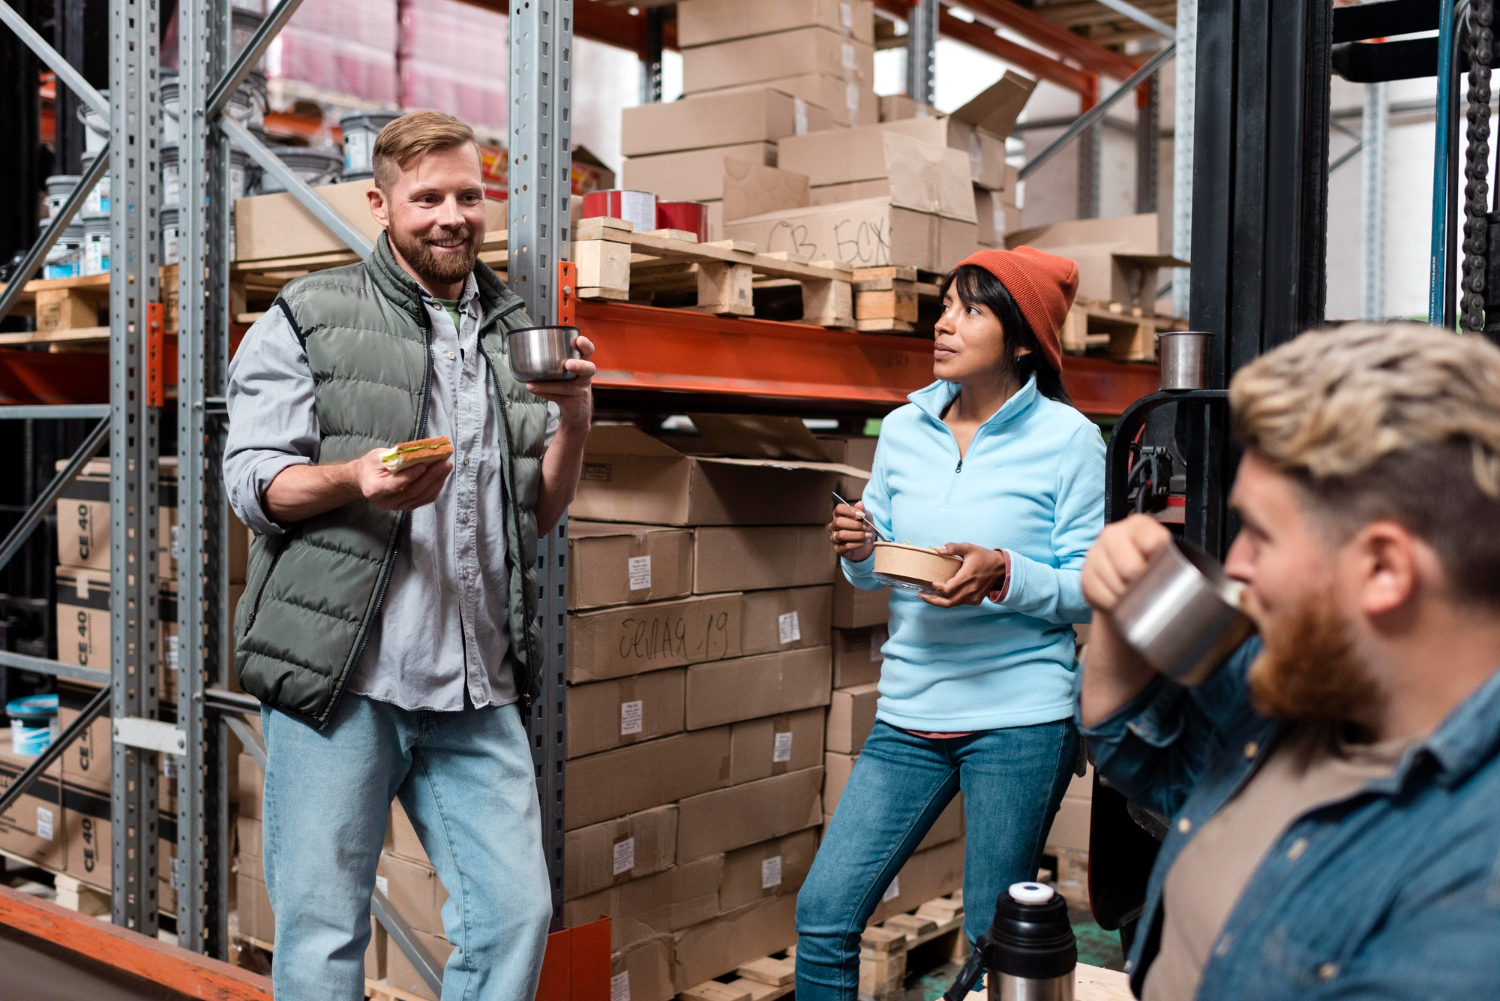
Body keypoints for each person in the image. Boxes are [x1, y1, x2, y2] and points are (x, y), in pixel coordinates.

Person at [224, 112, 594, 1001]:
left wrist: (576, 416)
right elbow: (252, 483)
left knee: (515, 916)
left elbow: (533, 510)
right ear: (381, 202)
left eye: (468, 195)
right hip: (345, 682)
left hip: (475, 685)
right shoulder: (310, 314)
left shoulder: (514, 329)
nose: (452, 215)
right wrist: (357, 477)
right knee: (324, 930)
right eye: (427, 197)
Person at [1079, 323, 1500, 999]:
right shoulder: (1303, 680)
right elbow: (1126, 747)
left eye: (1262, 535)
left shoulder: (1474, 886)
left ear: (1385, 569)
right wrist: (1116, 611)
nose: (1237, 564)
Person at [796, 248, 1105, 999]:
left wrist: (1006, 571)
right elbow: (880, 566)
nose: (944, 322)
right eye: (944, 306)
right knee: (824, 916)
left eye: (971, 309)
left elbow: (1092, 587)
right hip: (910, 711)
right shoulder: (903, 428)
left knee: (989, 938)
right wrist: (861, 548)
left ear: (1023, 337)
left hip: (1021, 717)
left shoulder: (1069, 440)